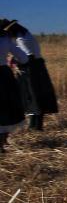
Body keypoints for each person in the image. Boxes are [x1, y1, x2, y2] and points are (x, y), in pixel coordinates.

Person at [4, 20, 59, 130]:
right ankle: (36, 125)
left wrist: (14, 60)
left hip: (30, 69)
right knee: (38, 95)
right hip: (38, 67)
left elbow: (28, 57)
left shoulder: (21, 39)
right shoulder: (27, 35)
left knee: (31, 96)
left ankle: (35, 126)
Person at [0, 22, 29, 153]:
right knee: (6, 107)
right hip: (3, 75)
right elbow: (23, 58)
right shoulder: (6, 40)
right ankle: (2, 141)